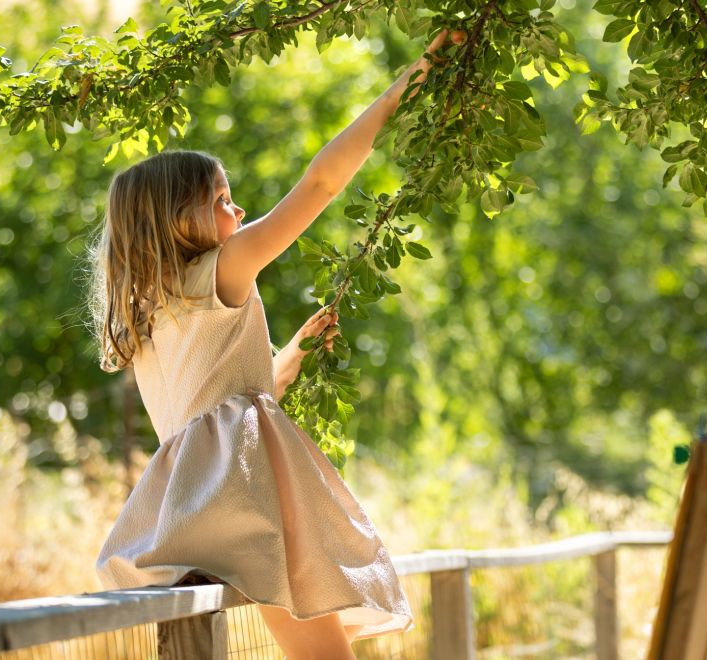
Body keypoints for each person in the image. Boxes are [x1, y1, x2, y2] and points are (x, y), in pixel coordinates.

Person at [89, 28, 462, 659]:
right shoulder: (223, 268)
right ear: (182, 219)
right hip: (246, 499)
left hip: (195, 508)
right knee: (326, 653)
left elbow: (227, 402)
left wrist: (290, 353)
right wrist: (409, 82)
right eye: (223, 201)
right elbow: (319, 186)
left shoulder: (149, 317)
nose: (238, 214)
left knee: (320, 647)